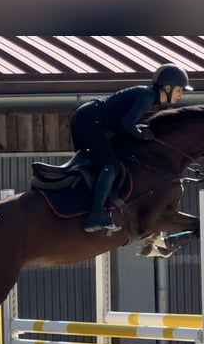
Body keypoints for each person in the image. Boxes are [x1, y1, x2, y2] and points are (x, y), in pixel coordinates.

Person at [70, 63, 193, 233]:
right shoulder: (146, 96)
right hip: (91, 121)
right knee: (110, 165)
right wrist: (142, 135)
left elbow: (126, 124)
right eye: (180, 90)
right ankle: (94, 216)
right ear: (167, 87)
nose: (181, 95)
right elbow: (127, 124)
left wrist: (139, 131)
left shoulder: (147, 96)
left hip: (89, 119)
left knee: (105, 162)